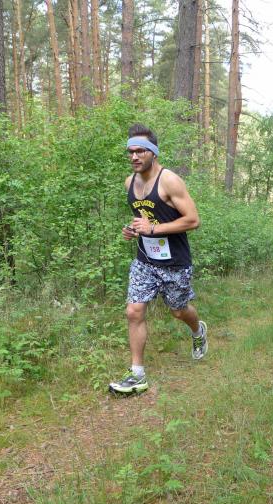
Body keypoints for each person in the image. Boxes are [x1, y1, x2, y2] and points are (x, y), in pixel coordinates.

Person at [109, 124, 208, 395]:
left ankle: (197, 331)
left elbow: (193, 220)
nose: (134, 156)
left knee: (178, 310)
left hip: (175, 262)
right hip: (145, 260)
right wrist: (134, 230)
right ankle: (137, 374)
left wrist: (153, 229)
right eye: (130, 152)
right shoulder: (130, 182)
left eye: (140, 151)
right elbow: (146, 218)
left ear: (153, 152)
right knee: (134, 311)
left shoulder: (169, 181)